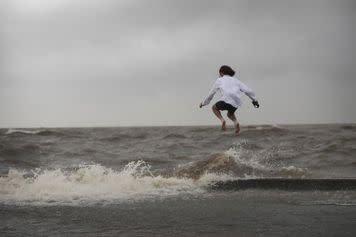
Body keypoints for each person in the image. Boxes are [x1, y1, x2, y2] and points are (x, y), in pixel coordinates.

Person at [199, 65, 259, 134]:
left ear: (221, 73)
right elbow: (248, 90)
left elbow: (211, 93)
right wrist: (255, 100)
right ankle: (236, 123)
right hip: (236, 103)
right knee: (230, 114)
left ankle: (222, 121)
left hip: (226, 100)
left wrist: (203, 103)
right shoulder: (236, 81)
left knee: (214, 108)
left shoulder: (219, 80)